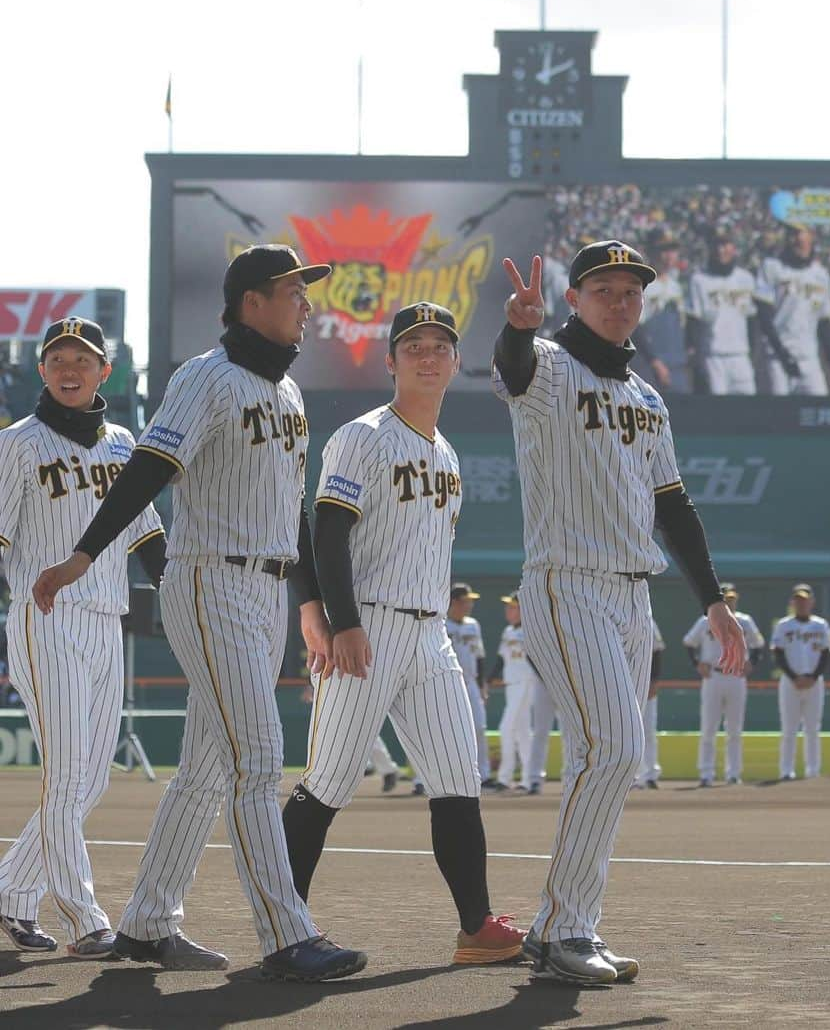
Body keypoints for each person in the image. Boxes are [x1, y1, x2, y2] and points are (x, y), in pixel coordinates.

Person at [32, 245, 364, 981]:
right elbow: (148, 467)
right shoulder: (204, 377)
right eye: (292, 290)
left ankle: (148, 924)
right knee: (260, 754)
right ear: (251, 300)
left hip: (263, 587)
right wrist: (85, 555)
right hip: (209, 581)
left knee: (207, 769)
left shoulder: (289, 395)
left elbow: (295, 510)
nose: (306, 303)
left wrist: (311, 602)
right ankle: (287, 932)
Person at [493, 242, 746, 985]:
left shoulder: (647, 398)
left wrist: (715, 600)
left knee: (606, 759)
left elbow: (674, 505)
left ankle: (567, 925)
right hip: (565, 582)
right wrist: (516, 328)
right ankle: (563, 928)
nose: (619, 299)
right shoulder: (545, 366)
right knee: (615, 748)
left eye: (630, 289)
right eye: (602, 288)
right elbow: (511, 367)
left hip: (632, 594)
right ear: (574, 298)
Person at [280, 302, 525, 966]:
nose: (426, 354)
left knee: (457, 777)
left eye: (439, 345)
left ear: (455, 363)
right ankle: (284, 925)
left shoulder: (445, 453)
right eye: (412, 344)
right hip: (371, 623)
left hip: (430, 633)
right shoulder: (363, 435)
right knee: (327, 781)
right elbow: (325, 533)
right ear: (389, 361)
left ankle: (475, 927)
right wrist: (344, 622)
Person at [0, 318, 166, 960]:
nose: (70, 368)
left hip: (105, 620)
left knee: (90, 781)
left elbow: (147, 530)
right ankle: (85, 916)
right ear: (42, 371)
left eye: (84, 358)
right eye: (58, 358)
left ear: (106, 371)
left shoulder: (125, 441)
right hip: (46, 617)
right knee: (66, 774)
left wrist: (174, 591)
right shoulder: (16, 444)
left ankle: (13, 892)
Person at [686, 233, 797, 395]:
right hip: (713, 356)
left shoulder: (746, 279)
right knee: (717, 410)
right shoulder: (699, 280)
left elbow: (752, 321)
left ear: (734, 248)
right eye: (716, 245)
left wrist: (751, 354)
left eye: (725, 245)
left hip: (741, 356)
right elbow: (693, 322)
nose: (720, 250)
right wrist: (697, 360)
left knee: (747, 408)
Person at [684, 583, 765, 785]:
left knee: (735, 729)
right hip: (713, 676)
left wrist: (752, 662)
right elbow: (689, 642)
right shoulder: (705, 621)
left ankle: (733, 773)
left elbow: (758, 645)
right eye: (726, 599)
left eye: (732, 598)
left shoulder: (745, 621)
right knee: (709, 727)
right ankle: (706, 773)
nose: (730, 602)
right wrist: (696, 663)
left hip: (736, 677)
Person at [755, 224, 830, 396]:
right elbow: (764, 315)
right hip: (777, 358)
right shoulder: (771, 267)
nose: (795, 239)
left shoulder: (821, 275)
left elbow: (824, 322)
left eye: (799, 234)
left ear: (811, 237)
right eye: (791, 235)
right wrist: (782, 353)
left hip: (809, 358)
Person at [770, 584, 830, 779]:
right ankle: (786, 770)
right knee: (789, 728)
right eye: (798, 600)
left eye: (805, 600)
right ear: (792, 602)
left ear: (812, 602)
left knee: (812, 728)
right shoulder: (784, 625)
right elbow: (778, 653)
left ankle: (813, 770)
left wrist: (813, 677)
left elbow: (826, 653)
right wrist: (793, 676)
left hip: (814, 682)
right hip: (791, 682)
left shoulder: (821, 625)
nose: (801, 604)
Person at [445, 583, 492, 788]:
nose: (470, 605)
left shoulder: (473, 625)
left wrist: (482, 685)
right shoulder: (441, 624)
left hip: (471, 682)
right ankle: (422, 779)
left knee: (479, 727)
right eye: (466, 601)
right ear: (454, 602)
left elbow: (480, 656)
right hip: (447, 682)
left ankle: (484, 775)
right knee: (441, 730)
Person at [635, 231, 690, 393]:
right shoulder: (640, 284)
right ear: (651, 252)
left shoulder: (677, 286)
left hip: (677, 363)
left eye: (672, 251)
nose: (668, 257)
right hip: (649, 363)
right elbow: (635, 329)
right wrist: (655, 362)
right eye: (663, 251)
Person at [489, 592, 533, 791]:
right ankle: (529, 778)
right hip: (511, 684)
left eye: (513, 607)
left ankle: (504, 778)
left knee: (506, 728)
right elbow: (501, 658)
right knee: (522, 732)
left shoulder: (532, 631)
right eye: (509, 607)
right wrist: (491, 678)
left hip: (526, 682)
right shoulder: (508, 631)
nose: (509, 611)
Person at [633, 621, 666, 790]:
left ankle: (651, 774)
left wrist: (654, 681)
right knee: (624, 732)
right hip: (621, 683)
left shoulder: (647, 620)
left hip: (644, 683)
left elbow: (658, 650)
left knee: (648, 730)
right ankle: (632, 776)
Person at [526, 663, 558, 796]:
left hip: (568, 682)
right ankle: (535, 779)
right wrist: (548, 678)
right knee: (540, 732)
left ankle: (570, 776)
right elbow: (530, 655)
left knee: (570, 733)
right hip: (542, 681)